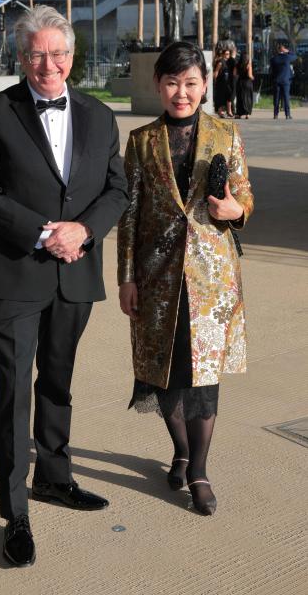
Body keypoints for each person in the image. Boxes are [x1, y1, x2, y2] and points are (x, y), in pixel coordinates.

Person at [0, 5, 128, 567]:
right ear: (22, 56)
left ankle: (54, 478)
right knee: (14, 392)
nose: (48, 64)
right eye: (37, 53)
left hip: (76, 270)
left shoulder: (101, 116)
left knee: (58, 381)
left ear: (73, 57)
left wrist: (83, 230)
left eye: (58, 53)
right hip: (15, 273)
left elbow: (117, 191)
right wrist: (41, 233)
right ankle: (14, 514)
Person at [117, 41, 254, 516]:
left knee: (203, 379)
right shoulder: (140, 140)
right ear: (159, 84)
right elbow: (129, 214)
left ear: (204, 85)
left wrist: (235, 211)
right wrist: (126, 277)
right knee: (164, 374)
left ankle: (198, 469)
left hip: (212, 280)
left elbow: (245, 197)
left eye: (191, 83)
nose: (182, 92)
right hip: (155, 280)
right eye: (172, 82)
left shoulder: (225, 134)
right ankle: (178, 449)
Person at [270, 43, 297, 120]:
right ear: (283, 49)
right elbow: (295, 56)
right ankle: (287, 114)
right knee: (286, 98)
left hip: (276, 80)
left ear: (277, 50)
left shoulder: (274, 59)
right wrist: (288, 51)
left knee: (276, 98)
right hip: (285, 81)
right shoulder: (287, 57)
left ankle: (275, 114)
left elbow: (272, 69)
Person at [213, 48, 234, 118]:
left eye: (228, 54)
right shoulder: (221, 62)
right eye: (226, 54)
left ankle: (229, 111)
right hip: (221, 82)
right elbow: (216, 71)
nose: (227, 55)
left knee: (229, 96)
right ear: (223, 54)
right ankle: (220, 112)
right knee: (221, 97)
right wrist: (215, 80)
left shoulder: (229, 61)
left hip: (227, 82)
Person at [235, 52, 254, 119]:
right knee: (248, 98)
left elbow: (234, 73)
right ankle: (247, 113)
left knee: (240, 98)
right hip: (247, 83)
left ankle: (239, 114)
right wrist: (253, 78)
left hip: (240, 82)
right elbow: (249, 75)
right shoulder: (248, 65)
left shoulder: (237, 65)